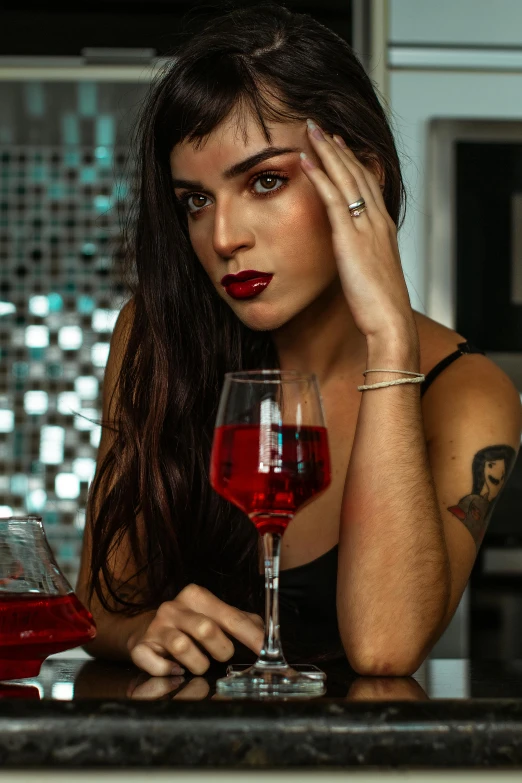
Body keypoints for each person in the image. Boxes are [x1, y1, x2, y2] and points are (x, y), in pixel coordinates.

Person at [75, 2, 522, 678]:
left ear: (361, 178)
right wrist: (142, 628)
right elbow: (100, 606)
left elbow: (384, 648)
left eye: (265, 181)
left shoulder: (468, 392)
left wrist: (390, 342)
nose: (224, 237)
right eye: (196, 200)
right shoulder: (156, 339)